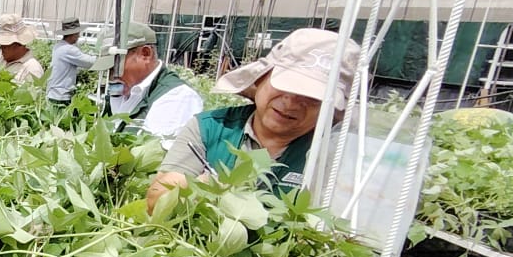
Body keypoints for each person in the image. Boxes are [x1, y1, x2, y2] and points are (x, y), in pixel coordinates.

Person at [146, 27, 361, 212]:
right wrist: (207, 186)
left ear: (331, 108)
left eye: (310, 97)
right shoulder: (210, 127)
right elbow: (157, 199)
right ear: (261, 78)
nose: (290, 103)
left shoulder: (335, 153)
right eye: (284, 87)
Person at [107, 23, 204, 140]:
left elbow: (156, 149)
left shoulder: (177, 97)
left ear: (146, 54)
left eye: (115, 67)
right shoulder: (121, 88)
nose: (111, 76)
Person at [46, 18, 99, 106]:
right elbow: (89, 62)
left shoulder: (58, 46)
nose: (79, 36)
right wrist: (103, 58)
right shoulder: (69, 49)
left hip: (54, 93)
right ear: (73, 34)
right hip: (61, 95)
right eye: (78, 33)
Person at [0, 14, 44, 85]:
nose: (1, 48)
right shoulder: (1, 58)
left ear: (20, 44)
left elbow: (33, 91)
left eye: (6, 45)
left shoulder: (32, 68)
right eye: (1, 44)